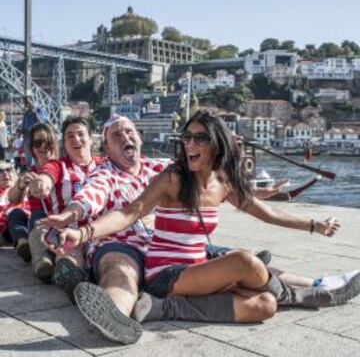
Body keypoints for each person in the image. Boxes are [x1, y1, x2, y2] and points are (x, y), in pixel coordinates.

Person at [45, 109, 359, 344]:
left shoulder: (212, 180)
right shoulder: (164, 177)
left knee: (264, 305)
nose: (190, 144)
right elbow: (126, 210)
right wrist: (79, 227)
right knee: (245, 262)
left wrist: (315, 224)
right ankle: (312, 295)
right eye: (188, 137)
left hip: (192, 264)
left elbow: (265, 213)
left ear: (216, 145)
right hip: (160, 267)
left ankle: (156, 309)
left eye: (200, 138)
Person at [27, 116, 103, 283]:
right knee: (68, 264)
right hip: (66, 235)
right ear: (64, 144)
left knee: (114, 263)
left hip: (102, 233)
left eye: (81, 134)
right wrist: (41, 183)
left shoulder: (104, 165)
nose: (76, 139)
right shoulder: (57, 165)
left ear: (90, 139)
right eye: (70, 136)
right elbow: (46, 176)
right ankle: (76, 283)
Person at [8, 123, 59, 265]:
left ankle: (42, 261)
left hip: (58, 217)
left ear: (54, 143)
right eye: (38, 143)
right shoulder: (29, 171)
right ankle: (23, 243)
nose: (43, 146)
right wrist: (20, 185)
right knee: (16, 213)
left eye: (48, 142)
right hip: (36, 220)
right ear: (32, 148)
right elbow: (12, 199)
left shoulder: (63, 167)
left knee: (38, 218)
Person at [0, 162, 30, 261]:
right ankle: (23, 244)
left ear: (15, 174)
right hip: (8, 227)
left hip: (31, 220)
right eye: (0, 171)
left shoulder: (27, 187)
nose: (5, 174)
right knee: (15, 212)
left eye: (8, 170)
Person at [22, 96, 49, 166]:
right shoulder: (26, 113)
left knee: (37, 154)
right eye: (25, 103)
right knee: (28, 157)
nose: (27, 104)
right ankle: (30, 169)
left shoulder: (40, 110)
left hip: (36, 136)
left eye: (28, 102)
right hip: (27, 137)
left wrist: (34, 111)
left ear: (32, 101)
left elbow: (40, 122)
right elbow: (24, 125)